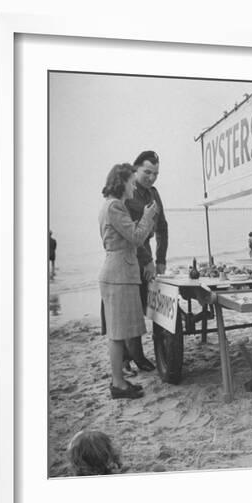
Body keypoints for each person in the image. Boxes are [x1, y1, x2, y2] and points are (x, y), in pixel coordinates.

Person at [99, 163, 158, 399]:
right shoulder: (115, 206)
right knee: (117, 333)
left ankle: (119, 381)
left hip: (117, 273)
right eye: (131, 182)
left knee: (118, 332)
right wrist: (147, 216)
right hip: (119, 276)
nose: (134, 186)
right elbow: (135, 237)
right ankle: (118, 384)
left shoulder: (112, 206)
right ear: (121, 182)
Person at [124, 150, 168, 372]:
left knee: (144, 304)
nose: (151, 178)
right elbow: (133, 235)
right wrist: (148, 261)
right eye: (147, 172)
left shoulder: (153, 193)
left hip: (148, 251)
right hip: (130, 254)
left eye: (156, 174)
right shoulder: (128, 193)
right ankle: (132, 357)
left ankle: (136, 355)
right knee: (130, 308)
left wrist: (160, 259)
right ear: (135, 169)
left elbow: (162, 227)